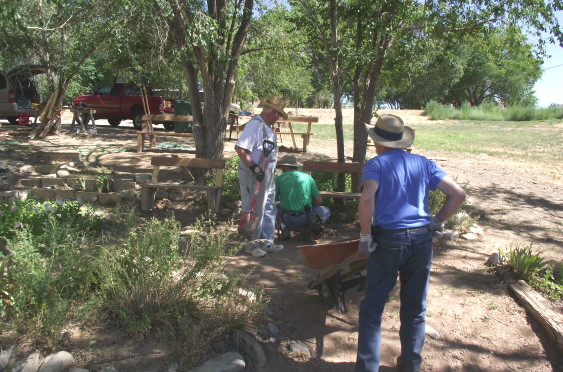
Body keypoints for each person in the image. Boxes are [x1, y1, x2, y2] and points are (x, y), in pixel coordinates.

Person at [355, 114, 466, 372]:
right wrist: (437, 222)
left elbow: (367, 199)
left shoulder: (376, 165)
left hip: (388, 239)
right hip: (421, 239)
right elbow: (458, 194)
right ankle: (410, 364)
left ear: (377, 141)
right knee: (415, 307)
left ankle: (367, 368)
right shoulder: (424, 164)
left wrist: (364, 236)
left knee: (373, 306)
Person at [235, 96, 289, 258]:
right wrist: (254, 167)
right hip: (254, 176)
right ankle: (252, 244)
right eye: (278, 114)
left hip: (267, 176)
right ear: (272, 112)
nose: (278, 117)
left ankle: (266, 242)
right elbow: (240, 148)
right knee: (254, 209)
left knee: (269, 208)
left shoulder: (267, 128)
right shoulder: (255, 126)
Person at [275, 154, 331, 240]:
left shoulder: (279, 178)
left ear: (285, 167)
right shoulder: (308, 178)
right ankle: (307, 228)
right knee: (326, 210)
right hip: (305, 218)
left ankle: (284, 227)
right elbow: (319, 201)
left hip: (287, 218)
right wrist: (308, 203)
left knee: (273, 208)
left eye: (282, 167)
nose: (282, 170)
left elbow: (273, 200)